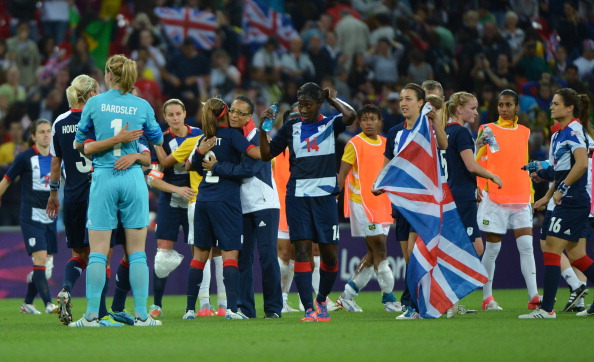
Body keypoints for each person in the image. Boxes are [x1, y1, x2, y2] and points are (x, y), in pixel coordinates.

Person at [70, 54, 164, 327]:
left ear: (109, 75)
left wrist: (107, 141)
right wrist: (134, 149)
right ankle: (142, 316)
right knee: (137, 252)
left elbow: (80, 144)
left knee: (98, 251)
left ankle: (90, 316)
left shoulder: (95, 103)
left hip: (105, 175)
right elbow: (157, 142)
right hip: (133, 177)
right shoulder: (142, 105)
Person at [259, 82, 356, 322]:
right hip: (298, 197)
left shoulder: (330, 124)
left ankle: (321, 299)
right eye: (300, 104)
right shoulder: (291, 127)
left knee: (329, 255)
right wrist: (263, 130)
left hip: (324, 197)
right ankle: (309, 309)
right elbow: (266, 153)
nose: (302, 109)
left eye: (308, 104)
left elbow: (352, 116)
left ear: (319, 104)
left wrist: (334, 100)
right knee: (300, 251)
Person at [201, 96, 282, 318]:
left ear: (249, 117)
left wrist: (217, 167)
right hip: (240, 206)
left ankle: (273, 308)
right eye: (232, 111)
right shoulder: (232, 138)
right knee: (244, 259)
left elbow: (248, 170)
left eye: (240, 113)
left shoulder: (256, 137)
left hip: (264, 203)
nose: (235, 116)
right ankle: (247, 309)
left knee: (267, 257)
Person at [520, 89, 594, 318]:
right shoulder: (559, 134)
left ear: (569, 107)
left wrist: (560, 191)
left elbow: (581, 164)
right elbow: (562, 171)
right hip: (568, 198)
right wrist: (548, 193)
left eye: (555, 103)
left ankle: (546, 309)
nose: (550, 107)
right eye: (551, 103)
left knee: (551, 248)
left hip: (574, 199)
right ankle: (548, 307)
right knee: (577, 255)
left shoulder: (573, 130)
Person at [188, 97, 262, 320]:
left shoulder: (204, 138)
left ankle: (190, 310)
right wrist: (268, 146)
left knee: (200, 255)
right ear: (225, 114)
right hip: (226, 201)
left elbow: (194, 168)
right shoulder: (232, 136)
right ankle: (231, 309)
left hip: (203, 200)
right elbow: (254, 154)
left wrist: (202, 154)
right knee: (230, 254)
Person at [379, 83, 447, 320]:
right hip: (401, 202)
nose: (403, 103)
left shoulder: (427, 128)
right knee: (409, 258)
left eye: (408, 99)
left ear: (421, 102)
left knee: (415, 252)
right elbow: (388, 163)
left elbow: (444, 144)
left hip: (423, 202)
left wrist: (435, 120)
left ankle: (416, 306)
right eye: (400, 99)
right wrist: (379, 184)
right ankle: (422, 302)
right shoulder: (395, 132)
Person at [476, 89, 539, 311]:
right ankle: (487, 298)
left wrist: (530, 191)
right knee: (492, 250)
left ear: (517, 108)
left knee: (526, 247)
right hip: (495, 195)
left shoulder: (525, 131)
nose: (504, 109)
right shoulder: (488, 130)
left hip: (521, 195)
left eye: (508, 105)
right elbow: (480, 160)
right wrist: (479, 186)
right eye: (501, 104)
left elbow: (523, 160)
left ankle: (534, 297)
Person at [441, 92, 503, 317]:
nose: (476, 112)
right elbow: (470, 166)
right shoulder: (461, 132)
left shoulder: (446, 132)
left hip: (450, 195)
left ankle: (450, 301)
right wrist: (492, 177)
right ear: (460, 109)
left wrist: (475, 145)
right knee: (471, 249)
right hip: (462, 198)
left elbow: (457, 162)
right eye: (473, 108)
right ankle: (447, 300)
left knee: (468, 247)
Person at [335, 104, 401, 313]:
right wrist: (333, 197)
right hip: (362, 203)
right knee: (380, 248)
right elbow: (342, 175)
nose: (369, 123)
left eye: (373, 119)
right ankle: (389, 298)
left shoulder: (387, 144)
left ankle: (348, 295)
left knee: (373, 252)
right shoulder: (354, 144)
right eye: (364, 119)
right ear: (359, 122)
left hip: (383, 204)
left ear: (379, 121)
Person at [146, 98, 201, 319]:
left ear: (185, 113)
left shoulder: (197, 134)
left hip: (195, 200)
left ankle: (193, 306)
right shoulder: (161, 139)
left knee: (198, 252)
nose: (175, 118)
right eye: (171, 115)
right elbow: (153, 179)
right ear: (165, 117)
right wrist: (176, 190)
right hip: (170, 201)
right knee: (162, 253)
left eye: (178, 113)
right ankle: (157, 304)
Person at [0, 119, 58, 315]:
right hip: (31, 216)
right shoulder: (25, 157)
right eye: (41, 132)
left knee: (46, 266)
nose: (46, 135)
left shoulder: (57, 157)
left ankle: (27, 303)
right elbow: (6, 180)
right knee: (40, 259)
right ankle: (49, 303)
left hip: (51, 216)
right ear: (33, 136)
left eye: (49, 131)